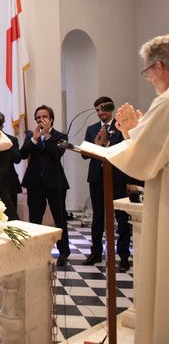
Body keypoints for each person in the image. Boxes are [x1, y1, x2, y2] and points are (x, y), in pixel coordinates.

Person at [103, 34, 169, 344]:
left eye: (148, 72)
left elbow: (143, 160)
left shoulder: (166, 101)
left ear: (159, 66)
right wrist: (141, 130)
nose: (149, 79)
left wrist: (129, 131)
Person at [82, 96, 134, 270]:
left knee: (121, 218)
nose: (100, 112)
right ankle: (96, 252)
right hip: (97, 178)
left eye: (103, 108)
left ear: (111, 108)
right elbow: (85, 154)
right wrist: (97, 145)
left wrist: (106, 145)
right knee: (98, 217)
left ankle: (124, 255)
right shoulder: (92, 129)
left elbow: (125, 149)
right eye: (97, 110)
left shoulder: (120, 127)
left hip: (117, 178)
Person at [20, 105, 70, 267]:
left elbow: (57, 155)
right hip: (35, 183)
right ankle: (35, 249)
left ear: (51, 119)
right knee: (34, 218)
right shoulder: (30, 135)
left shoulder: (60, 136)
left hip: (56, 183)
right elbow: (22, 155)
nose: (40, 119)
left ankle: (63, 252)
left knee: (60, 218)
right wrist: (34, 140)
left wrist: (47, 136)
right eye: (38, 117)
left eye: (44, 117)